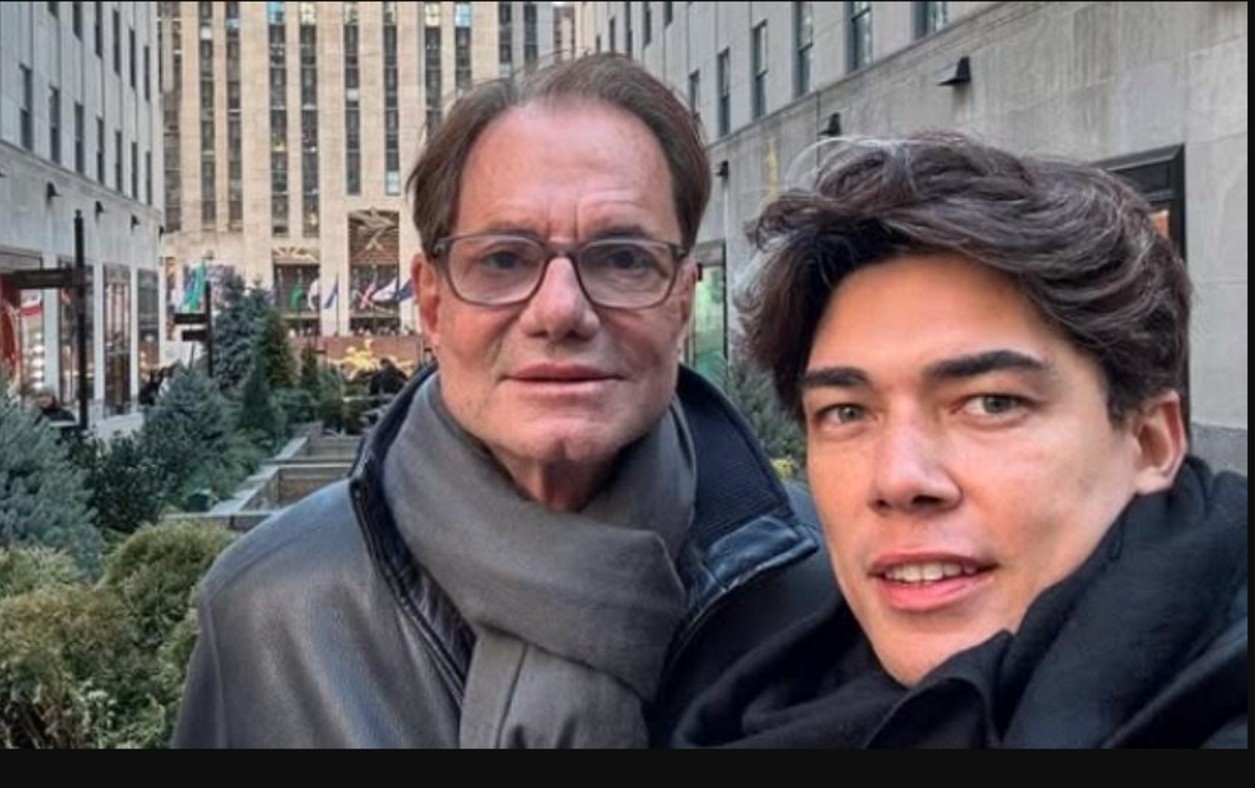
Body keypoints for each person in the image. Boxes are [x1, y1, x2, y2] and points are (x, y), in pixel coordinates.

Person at [172, 54, 829, 748]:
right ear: (433, 305)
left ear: (681, 302)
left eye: (622, 258)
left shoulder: (828, 589)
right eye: (504, 260)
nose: (560, 311)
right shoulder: (267, 613)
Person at [673, 133, 1247, 748]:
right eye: (846, 412)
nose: (899, 478)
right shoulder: (772, 698)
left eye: (990, 403)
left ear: (1150, 442)